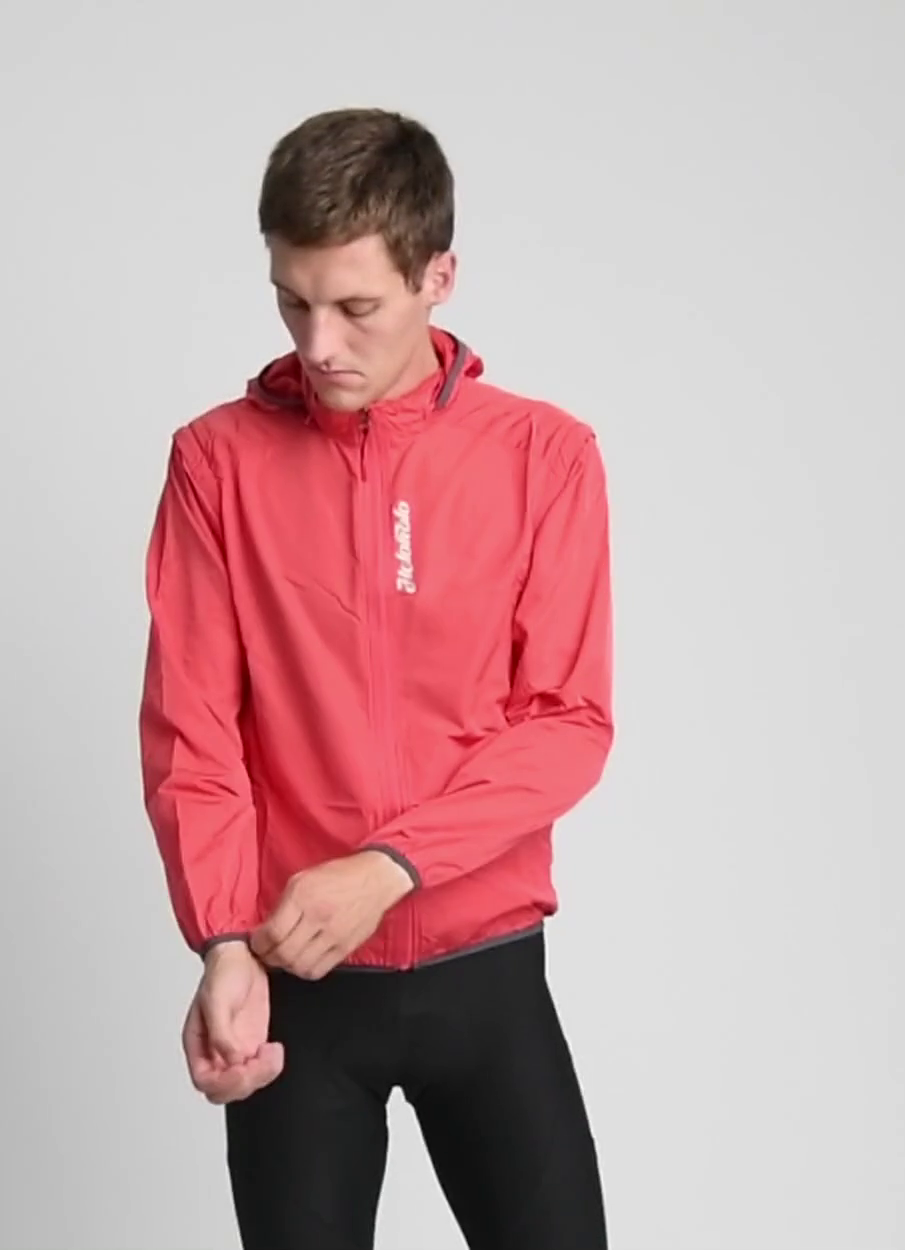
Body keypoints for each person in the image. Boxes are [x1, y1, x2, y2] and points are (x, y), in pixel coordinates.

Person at [138, 106, 614, 1250]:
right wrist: (221, 940)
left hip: (486, 981)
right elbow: (195, 730)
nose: (319, 343)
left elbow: (567, 722)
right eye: (292, 302)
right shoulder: (216, 461)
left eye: (356, 307)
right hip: (296, 990)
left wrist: (389, 865)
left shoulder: (544, 456)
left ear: (437, 275)